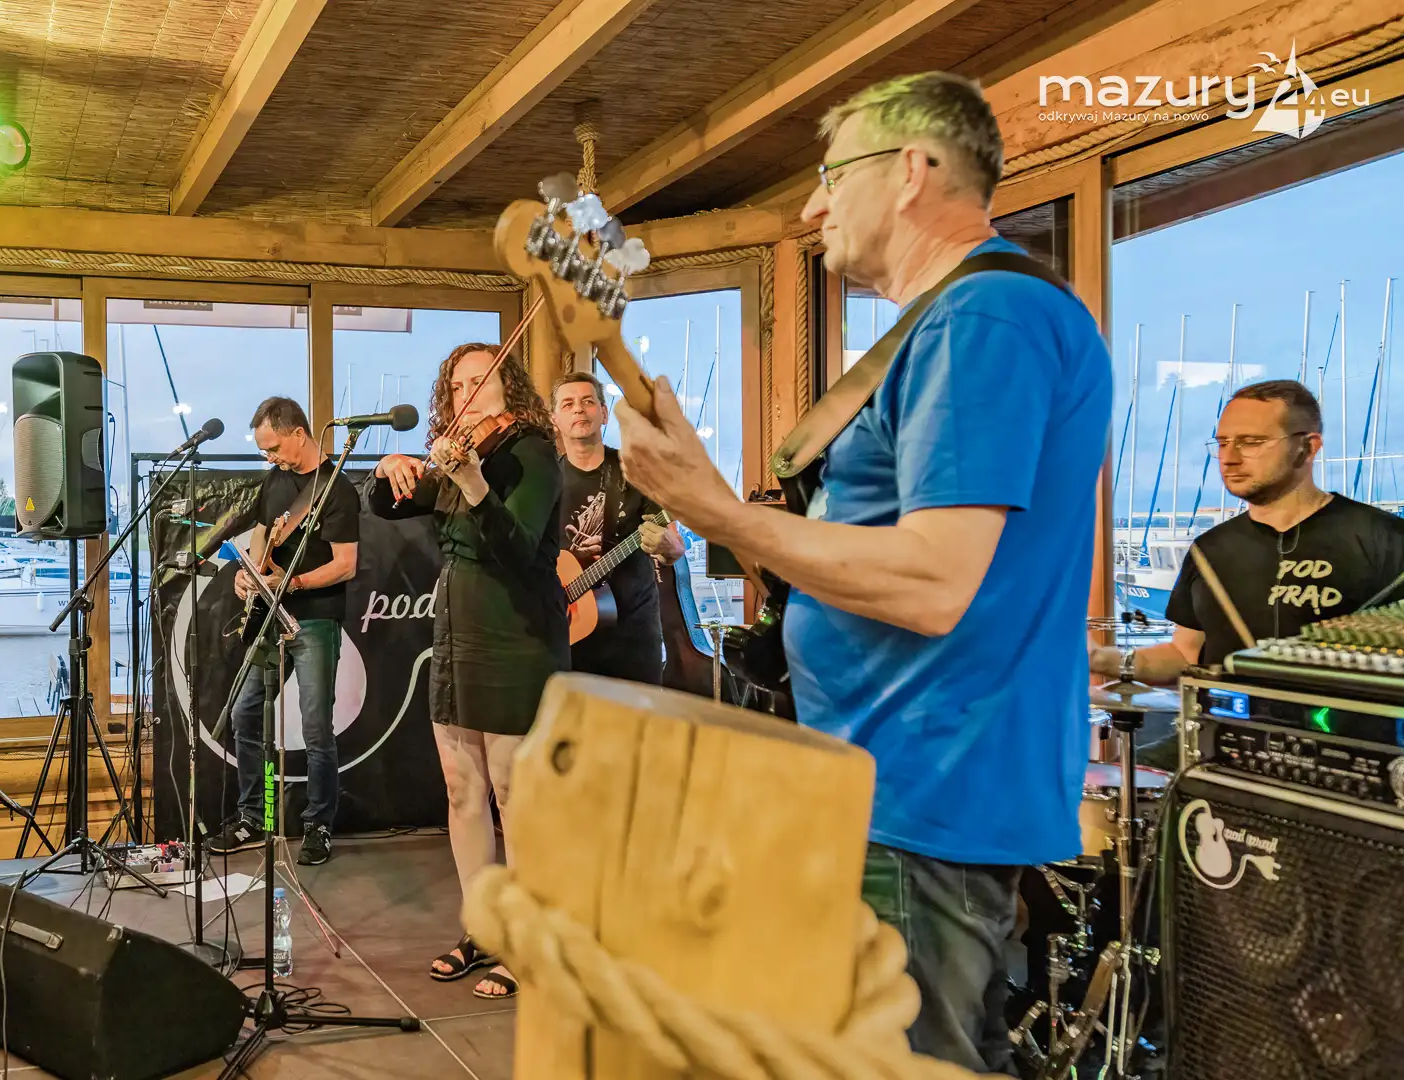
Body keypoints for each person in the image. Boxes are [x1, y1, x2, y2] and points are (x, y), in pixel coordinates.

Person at [614, 71, 1112, 1073]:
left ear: (912, 171)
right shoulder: (959, 323)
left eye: (833, 176)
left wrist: (714, 512)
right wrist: (723, 504)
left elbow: (933, 581)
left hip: (925, 781)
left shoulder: (984, 319)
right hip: (900, 778)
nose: (812, 206)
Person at [368, 342, 566, 1002]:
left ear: (509, 387)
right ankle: (482, 928)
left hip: (517, 631)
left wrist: (476, 482)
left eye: (482, 380)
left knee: (513, 792)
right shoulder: (454, 455)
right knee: (461, 786)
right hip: (458, 630)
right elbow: (388, 506)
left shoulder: (531, 451)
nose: (469, 393)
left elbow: (519, 549)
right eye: (458, 385)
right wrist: (389, 469)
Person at [1090, 379, 1404, 685]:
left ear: (1308, 447)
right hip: (1222, 720)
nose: (1229, 458)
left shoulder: (1386, 540)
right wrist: (1099, 659)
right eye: (1223, 443)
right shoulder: (1209, 550)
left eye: (1250, 442)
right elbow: (1184, 655)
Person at [207, 396, 359, 867]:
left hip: (315, 618)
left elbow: (346, 565)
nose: (269, 457)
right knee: (244, 712)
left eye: (273, 447)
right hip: (269, 616)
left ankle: (318, 824)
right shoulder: (275, 481)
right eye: (263, 450)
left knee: (315, 727)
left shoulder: (337, 489)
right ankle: (252, 815)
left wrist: (292, 583)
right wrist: (250, 574)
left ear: (298, 433)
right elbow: (260, 533)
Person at [550, 371, 685, 684]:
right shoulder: (545, 479)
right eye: (568, 404)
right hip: (567, 632)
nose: (579, 409)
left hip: (633, 636)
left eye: (588, 402)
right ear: (554, 419)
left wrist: (667, 546)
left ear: (604, 413)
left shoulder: (636, 471)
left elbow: (675, 547)